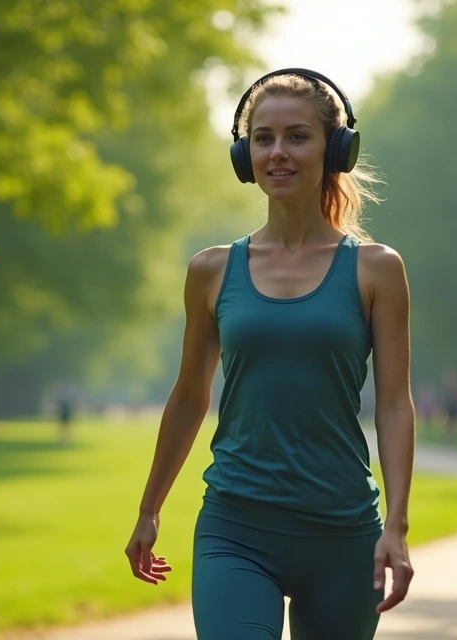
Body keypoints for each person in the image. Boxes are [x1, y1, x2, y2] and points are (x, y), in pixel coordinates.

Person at [123, 68, 416, 640]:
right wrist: (149, 508)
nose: (278, 152)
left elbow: (395, 406)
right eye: (263, 138)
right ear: (244, 153)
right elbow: (188, 395)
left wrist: (398, 525)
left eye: (297, 136)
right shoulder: (211, 269)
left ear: (335, 149)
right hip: (236, 524)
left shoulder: (377, 268)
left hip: (343, 532)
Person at [442, 371, 457, 442]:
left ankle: (454, 438)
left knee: (455, 422)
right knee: (449, 423)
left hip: (455, 407)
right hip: (450, 407)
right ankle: (448, 437)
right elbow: (446, 398)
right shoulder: (448, 388)